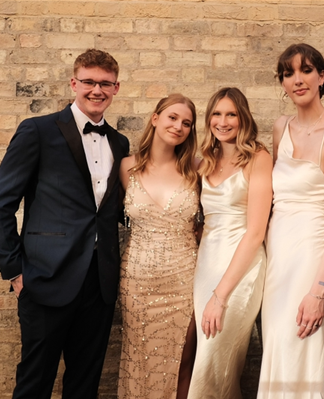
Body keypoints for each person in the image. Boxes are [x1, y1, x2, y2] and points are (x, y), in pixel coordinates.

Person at [0, 49, 129, 398]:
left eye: (105, 83)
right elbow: (2, 202)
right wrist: (15, 270)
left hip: (99, 286)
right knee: (34, 382)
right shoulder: (37, 131)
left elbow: (113, 211)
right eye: (88, 82)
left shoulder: (120, 143)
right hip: (44, 279)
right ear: (74, 83)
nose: (96, 90)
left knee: (84, 386)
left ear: (116, 88)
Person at [257, 43, 324, 398]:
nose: (297, 79)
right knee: (277, 352)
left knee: (304, 356)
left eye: (306, 70)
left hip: (313, 257)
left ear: (322, 77)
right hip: (277, 258)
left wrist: (319, 290)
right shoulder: (279, 127)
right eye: (288, 73)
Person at [187, 87, 272, 399]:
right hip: (206, 264)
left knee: (213, 358)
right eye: (217, 114)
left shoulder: (258, 158)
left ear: (243, 118)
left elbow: (256, 232)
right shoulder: (203, 162)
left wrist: (220, 296)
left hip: (242, 266)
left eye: (231, 114)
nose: (223, 121)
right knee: (214, 365)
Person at [118, 94, 199, 399]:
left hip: (183, 281)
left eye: (187, 123)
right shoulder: (126, 167)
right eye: (173, 117)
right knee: (139, 361)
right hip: (137, 282)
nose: (179, 126)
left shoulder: (196, 169)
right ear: (155, 118)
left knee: (182, 363)